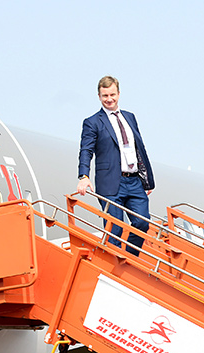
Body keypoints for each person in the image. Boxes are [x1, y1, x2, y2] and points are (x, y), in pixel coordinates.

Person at [76, 76, 155, 256]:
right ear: (99, 96)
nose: (109, 99)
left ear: (119, 94)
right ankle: (116, 264)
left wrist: (146, 181)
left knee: (142, 223)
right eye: (105, 96)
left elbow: (139, 149)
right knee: (115, 229)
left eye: (112, 94)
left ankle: (128, 257)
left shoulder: (130, 117)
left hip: (134, 180)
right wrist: (84, 176)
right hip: (111, 182)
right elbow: (86, 151)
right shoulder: (93, 122)